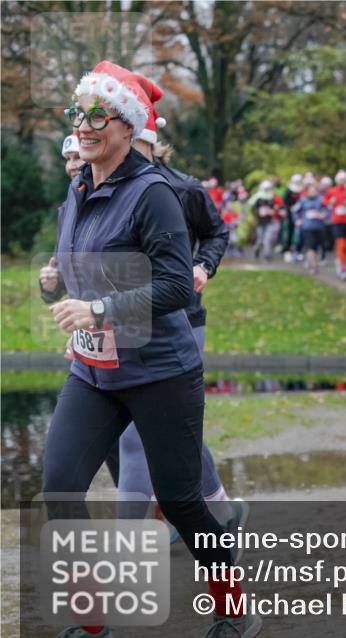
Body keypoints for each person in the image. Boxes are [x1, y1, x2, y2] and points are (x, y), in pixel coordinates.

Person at [31, 61, 259, 638]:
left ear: (128, 127)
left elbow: (175, 288)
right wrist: (55, 288)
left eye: (98, 116)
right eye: (79, 114)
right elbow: (79, 277)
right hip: (94, 373)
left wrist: (100, 306)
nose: (85, 126)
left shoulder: (153, 192)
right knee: (59, 488)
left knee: (182, 501)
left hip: (160, 372)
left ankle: (234, 614)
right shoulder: (79, 186)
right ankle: (91, 630)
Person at [99, 67, 242, 551]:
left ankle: (139, 534)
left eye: (137, 145)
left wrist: (203, 265)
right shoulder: (95, 187)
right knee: (166, 428)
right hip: (118, 318)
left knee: (154, 429)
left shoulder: (181, 188)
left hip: (181, 317)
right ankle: (220, 510)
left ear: (148, 140)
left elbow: (218, 231)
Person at [324, 170, 346, 279]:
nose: (342, 182)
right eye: (340, 180)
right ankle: (343, 269)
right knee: (341, 244)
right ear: (336, 180)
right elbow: (324, 201)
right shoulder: (331, 191)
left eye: (344, 180)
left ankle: (340, 261)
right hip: (337, 222)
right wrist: (330, 202)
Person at [293, 181, 330, 275]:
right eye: (310, 191)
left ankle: (312, 262)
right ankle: (313, 266)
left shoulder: (321, 199)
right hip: (307, 227)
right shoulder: (303, 200)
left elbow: (329, 210)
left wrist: (323, 215)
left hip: (319, 227)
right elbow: (294, 210)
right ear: (307, 192)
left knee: (317, 247)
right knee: (310, 247)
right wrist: (297, 220)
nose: (312, 193)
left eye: (314, 191)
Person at [251, 180, 284, 262]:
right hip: (260, 223)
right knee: (259, 240)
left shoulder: (273, 197)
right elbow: (253, 209)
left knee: (267, 239)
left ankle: (267, 255)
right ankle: (256, 251)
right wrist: (258, 212)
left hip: (270, 222)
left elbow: (280, 206)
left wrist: (275, 211)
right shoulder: (258, 198)